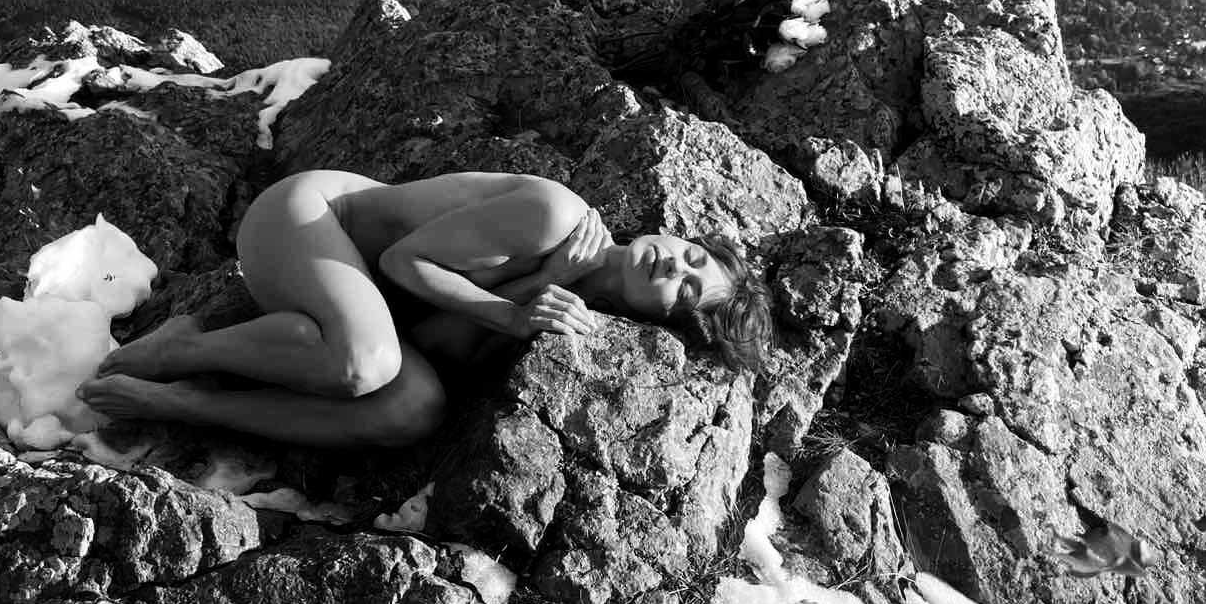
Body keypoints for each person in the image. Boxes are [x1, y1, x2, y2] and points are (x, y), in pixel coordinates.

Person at [76, 169, 771, 450]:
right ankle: (187, 347)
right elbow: (402, 264)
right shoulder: (556, 217)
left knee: (411, 408)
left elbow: (434, 337)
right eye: (693, 257)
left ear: (663, 323)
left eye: (685, 290)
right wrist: (514, 310)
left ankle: (193, 404)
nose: (675, 266)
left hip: (374, 309)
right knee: (366, 359)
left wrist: (532, 297)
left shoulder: (575, 307)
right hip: (312, 220)